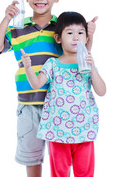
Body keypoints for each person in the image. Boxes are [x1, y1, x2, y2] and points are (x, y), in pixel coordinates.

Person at [0, 0, 97, 177]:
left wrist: (89, 38)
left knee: (63, 160)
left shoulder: (63, 28)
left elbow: (80, 59)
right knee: (32, 157)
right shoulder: (18, 29)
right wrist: (6, 19)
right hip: (30, 103)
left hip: (61, 105)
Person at [21, 11, 106, 177]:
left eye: (81, 33)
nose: (76, 37)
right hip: (57, 131)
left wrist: (93, 67)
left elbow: (102, 91)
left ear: (87, 38)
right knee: (59, 172)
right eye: (70, 33)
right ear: (58, 38)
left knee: (85, 172)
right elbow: (36, 84)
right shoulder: (53, 64)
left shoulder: (86, 63)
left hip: (84, 130)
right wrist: (28, 68)